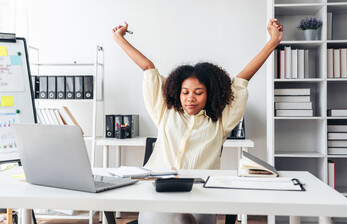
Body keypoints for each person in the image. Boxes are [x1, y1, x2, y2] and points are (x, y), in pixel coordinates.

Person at [112, 18, 283, 224]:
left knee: (187, 219)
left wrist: (272, 42)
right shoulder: (165, 112)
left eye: (198, 92)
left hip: (202, 195)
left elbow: (241, 81)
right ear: (178, 92)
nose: (190, 98)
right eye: (185, 92)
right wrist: (118, 38)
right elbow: (148, 68)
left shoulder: (221, 122)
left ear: (209, 95)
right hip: (160, 193)